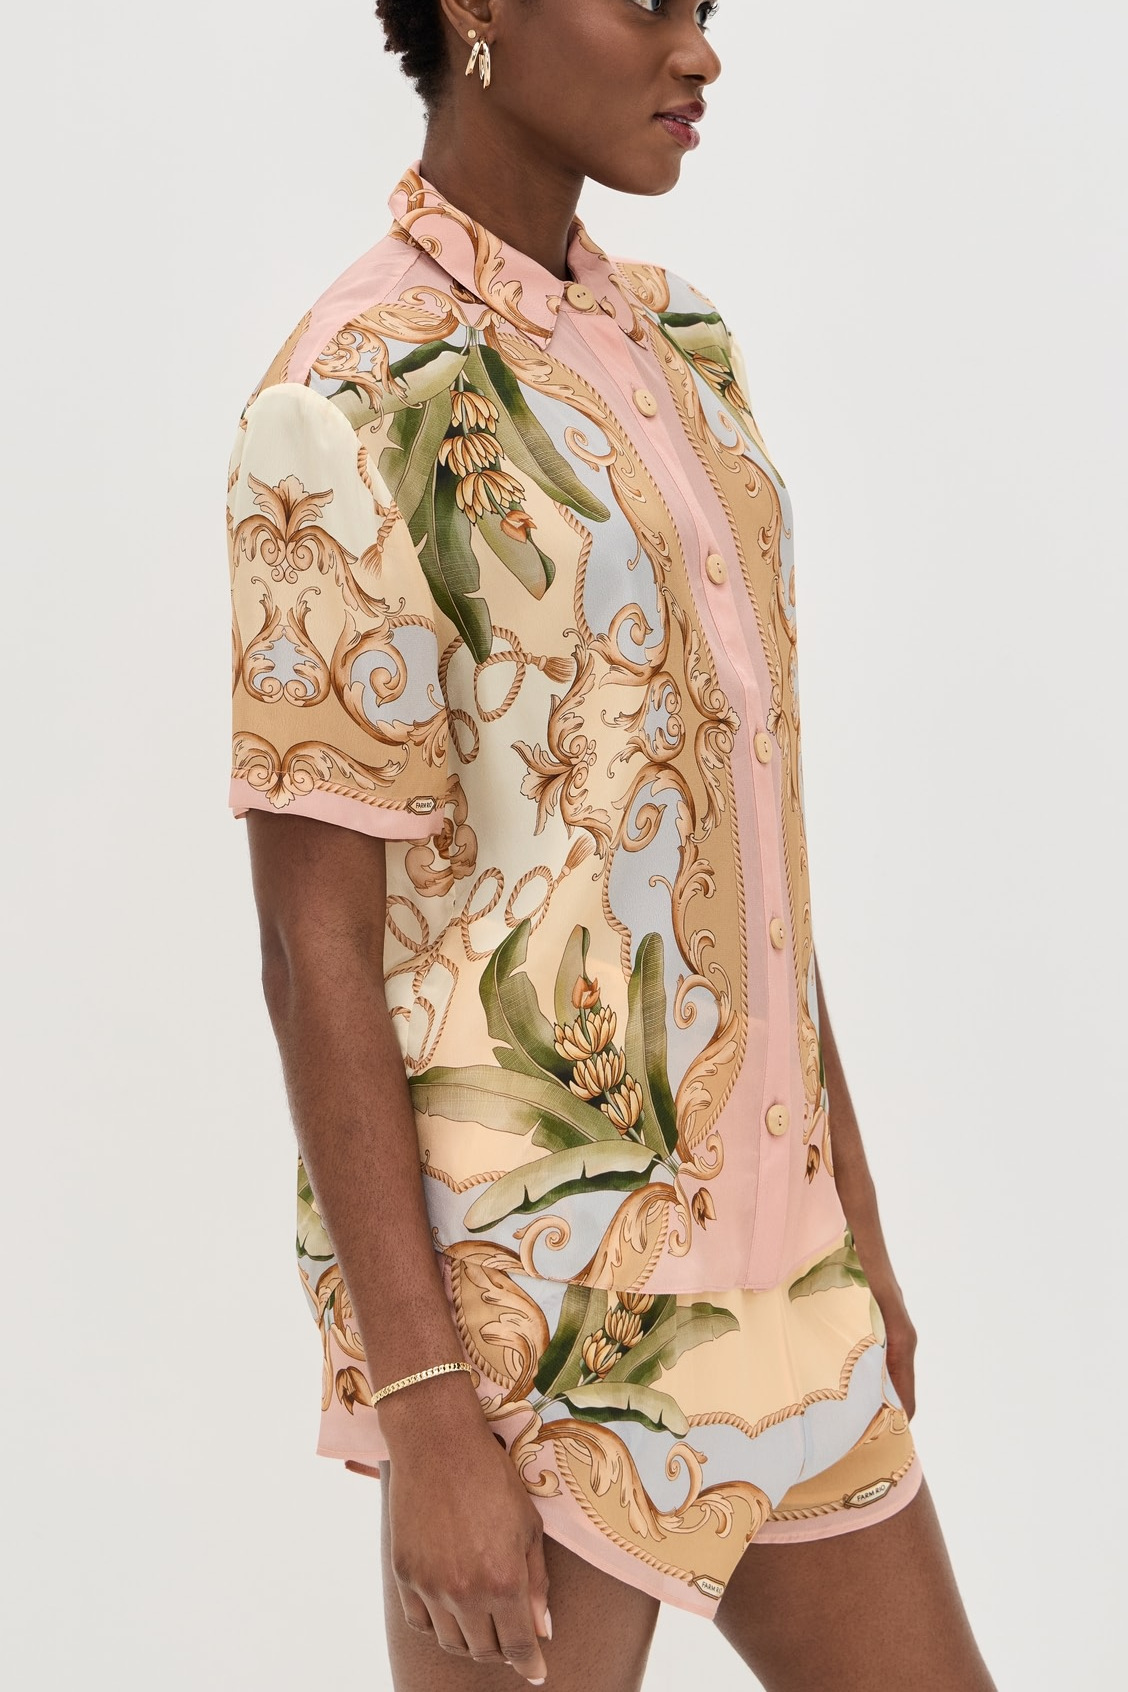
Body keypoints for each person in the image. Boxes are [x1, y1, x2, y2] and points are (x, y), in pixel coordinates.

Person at [225, 3, 998, 1687]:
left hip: (781, 1285)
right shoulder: (348, 398)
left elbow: (739, 848)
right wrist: (427, 1412)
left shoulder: (686, 350)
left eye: (709, 7)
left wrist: (856, 1231)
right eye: (648, 0)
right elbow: (310, 945)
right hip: (535, 1325)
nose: (698, 51)